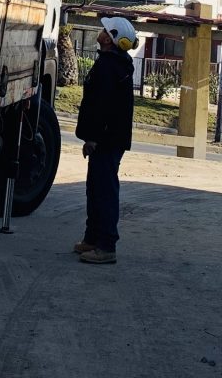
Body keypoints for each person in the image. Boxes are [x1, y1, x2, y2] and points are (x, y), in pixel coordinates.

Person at [74, 14, 136, 264]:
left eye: (105, 30)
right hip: (107, 138)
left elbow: (104, 107)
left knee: (104, 192)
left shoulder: (110, 68)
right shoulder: (112, 64)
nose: (100, 31)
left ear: (111, 39)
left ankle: (106, 245)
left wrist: (95, 138)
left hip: (107, 140)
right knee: (95, 189)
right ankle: (92, 238)